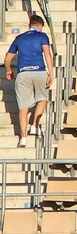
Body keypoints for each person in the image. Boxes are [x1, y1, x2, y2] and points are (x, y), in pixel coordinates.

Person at [5, 15, 53, 145]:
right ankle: (34, 126)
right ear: (41, 26)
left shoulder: (19, 38)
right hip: (39, 71)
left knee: (23, 107)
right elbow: (47, 54)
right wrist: (51, 73)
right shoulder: (42, 36)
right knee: (42, 99)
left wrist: (9, 70)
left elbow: (7, 59)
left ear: (29, 25)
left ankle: (23, 137)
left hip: (23, 73)